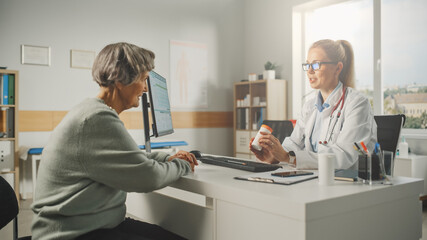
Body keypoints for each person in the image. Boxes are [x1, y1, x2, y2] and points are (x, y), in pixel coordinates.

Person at [31, 42, 198, 240]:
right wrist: (182, 165)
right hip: (70, 233)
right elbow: (148, 177)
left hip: (92, 224)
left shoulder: (93, 111)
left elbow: (128, 159)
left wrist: (167, 158)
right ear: (120, 80)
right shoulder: (96, 119)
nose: (146, 88)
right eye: (144, 79)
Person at [250, 39, 377, 169]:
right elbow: (294, 143)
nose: (309, 71)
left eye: (316, 65)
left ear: (338, 68)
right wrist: (274, 157)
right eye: (307, 64)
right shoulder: (309, 106)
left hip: (347, 184)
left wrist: (288, 158)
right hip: (314, 180)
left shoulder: (357, 103)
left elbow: (345, 156)